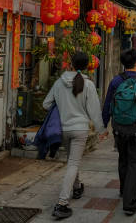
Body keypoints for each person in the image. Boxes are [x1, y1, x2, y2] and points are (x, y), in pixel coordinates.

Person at [43, 52, 107, 220]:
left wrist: (62, 106)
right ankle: (62, 203)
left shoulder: (59, 83)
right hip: (80, 129)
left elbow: (46, 104)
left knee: (72, 159)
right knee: (73, 162)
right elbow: (94, 110)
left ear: (70, 64)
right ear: (87, 66)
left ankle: (77, 187)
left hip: (63, 129)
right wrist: (101, 130)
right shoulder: (88, 85)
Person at [102, 49, 136, 216]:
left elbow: (107, 105)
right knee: (135, 163)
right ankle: (129, 203)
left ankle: (123, 189)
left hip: (118, 126)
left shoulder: (116, 81)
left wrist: (104, 125)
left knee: (123, 158)